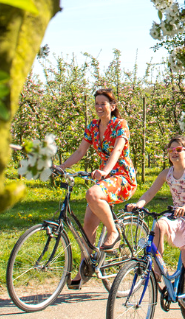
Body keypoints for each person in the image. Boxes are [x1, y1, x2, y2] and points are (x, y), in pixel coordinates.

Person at [126, 135, 185, 319]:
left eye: (178, 150)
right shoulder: (166, 173)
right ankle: (159, 269)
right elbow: (150, 192)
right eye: (171, 151)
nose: (174, 154)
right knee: (158, 225)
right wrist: (138, 204)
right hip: (177, 216)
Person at [56, 89, 137, 256]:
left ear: (112, 106)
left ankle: (113, 232)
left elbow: (117, 150)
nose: (99, 107)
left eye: (103, 104)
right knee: (88, 229)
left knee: (92, 194)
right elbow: (80, 152)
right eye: (97, 104)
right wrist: (62, 167)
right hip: (105, 179)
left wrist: (105, 170)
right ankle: (84, 271)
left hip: (122, 177)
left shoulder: (120, 125)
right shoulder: (93, 126)